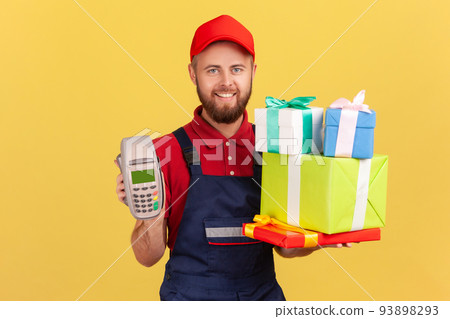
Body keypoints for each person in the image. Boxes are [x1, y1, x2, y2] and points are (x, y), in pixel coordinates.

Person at [115, 15, 350, 301]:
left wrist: (324, 235)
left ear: (252, 71)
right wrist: (148, 214)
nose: (226, 83)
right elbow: (148, 257)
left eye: (236, 69)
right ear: (193, 73)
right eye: (213, 70)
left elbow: (286, 247)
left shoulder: (275, 147)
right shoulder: (163, 152)